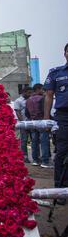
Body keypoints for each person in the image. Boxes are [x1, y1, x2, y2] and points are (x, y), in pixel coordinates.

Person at [44, 43, 68, 206]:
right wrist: (47, 119)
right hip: (64, 116)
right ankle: (60, 191)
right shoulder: (56, 73)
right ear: (65, 53)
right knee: (62, 153)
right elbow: (49, 96)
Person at [27, 84, 52, 168]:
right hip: (41, 121)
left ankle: (35, 160)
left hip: (32, 122)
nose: (43, 91)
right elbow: (44, 110)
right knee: (44, 142)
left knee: (34, 142)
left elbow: (27, 113)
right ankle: (45, 161)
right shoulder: (42, 98)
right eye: (42, 89)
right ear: (38, 89)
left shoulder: (28, 99)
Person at [14, 87, 33, 163]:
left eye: (31, 92)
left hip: (32, 123)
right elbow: (18, 113)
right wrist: (23, 123)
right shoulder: (18, 101)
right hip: (23, 123)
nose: (30, 94)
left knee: (34, 140)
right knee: (24, 140)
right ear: (23, 92)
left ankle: (36, 157)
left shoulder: (31, 99)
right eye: (29, 92)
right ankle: (24, 156)